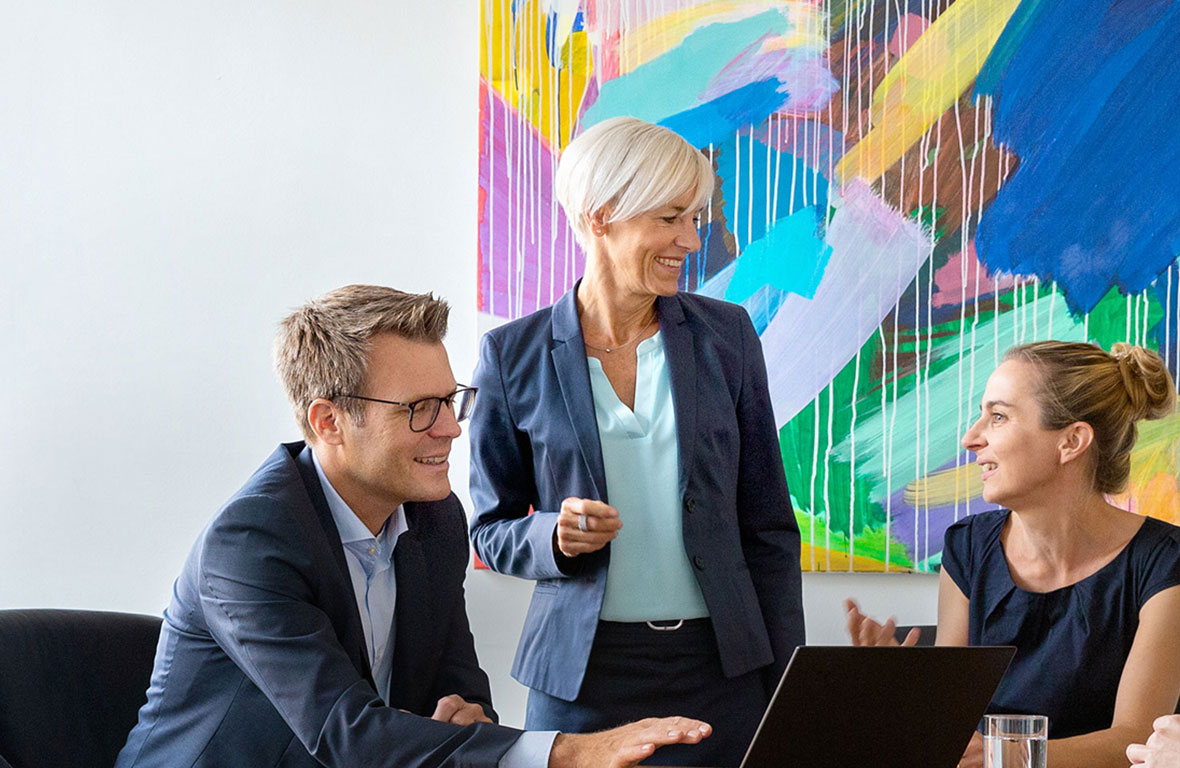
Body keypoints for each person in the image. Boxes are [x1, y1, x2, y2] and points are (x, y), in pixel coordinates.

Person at [115, 285, 711, 768]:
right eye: (420, 408)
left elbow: (456, 682)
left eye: (450, 400)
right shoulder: (249, 546)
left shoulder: (434, 516)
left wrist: (469, 716)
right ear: (328, 421)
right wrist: (569, 752)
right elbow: (348, 734)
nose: (452, 429)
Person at [468, 117, 805, 767]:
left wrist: (785, 685)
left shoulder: (728, 337)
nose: (691, 238)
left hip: (722, 670)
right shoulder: (512, 355)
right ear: (601, 217)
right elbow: (489, 528)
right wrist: (553, 537)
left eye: (695, 217)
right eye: (671, 217)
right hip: (581, 680)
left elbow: (767, 527)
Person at [846, 340, 1180, 768]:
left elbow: (1137, 741)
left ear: (1072, 441)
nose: (970, 438)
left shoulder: (1165, 563)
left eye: (998, 416)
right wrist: (903, 687)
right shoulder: (966, 547)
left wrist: (1005, 756)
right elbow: (953, 723)